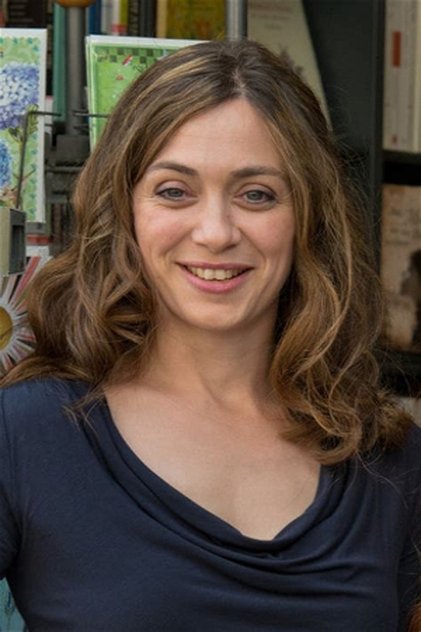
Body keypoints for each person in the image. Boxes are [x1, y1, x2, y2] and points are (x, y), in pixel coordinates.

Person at [0, 39, 420, 631]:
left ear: (308, 218)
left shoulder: (386, 454)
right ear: (125, 210)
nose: (216, 232)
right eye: (175, 191)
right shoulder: (26, 432)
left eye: (257, 194)